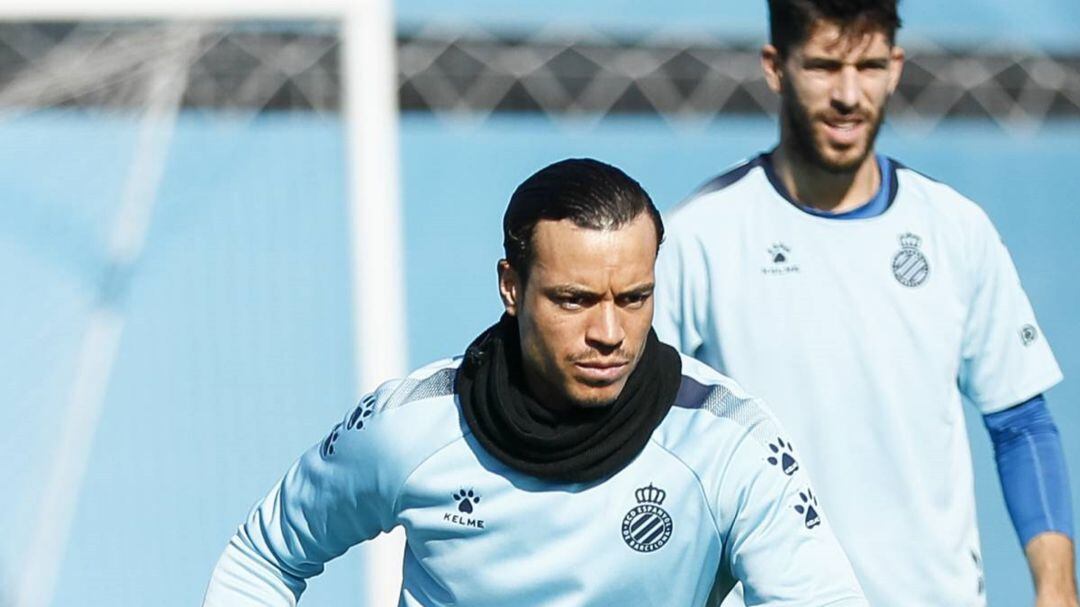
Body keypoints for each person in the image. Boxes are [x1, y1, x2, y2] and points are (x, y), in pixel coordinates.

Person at [203, 158, 867, 606]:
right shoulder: (408, 427)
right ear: (512, 287)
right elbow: (262, 558)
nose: (610, 331)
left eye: (633, 298)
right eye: (576, 300)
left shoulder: (729, 442)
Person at [654, 1, 1076, 606]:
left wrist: (1058, 590)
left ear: (896, 67)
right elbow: (642, 431)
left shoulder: (956, 229)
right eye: (825, 66)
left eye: (870, 66)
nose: (850, 94)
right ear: (776, 67)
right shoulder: (702, 234)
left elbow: (1021, 423)